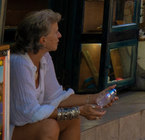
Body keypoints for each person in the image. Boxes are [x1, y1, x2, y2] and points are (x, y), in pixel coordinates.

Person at [11, 10, 115, 139]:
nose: (59, 35)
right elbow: (29, 112)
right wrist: (78, 110)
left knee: (72, 119)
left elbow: (55, 98)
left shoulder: (44, 58)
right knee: (49, 127)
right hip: (6, 128)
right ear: (42, 40)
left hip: (26, 123)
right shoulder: (19, 63)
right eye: (55, 32)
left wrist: (94, 98)